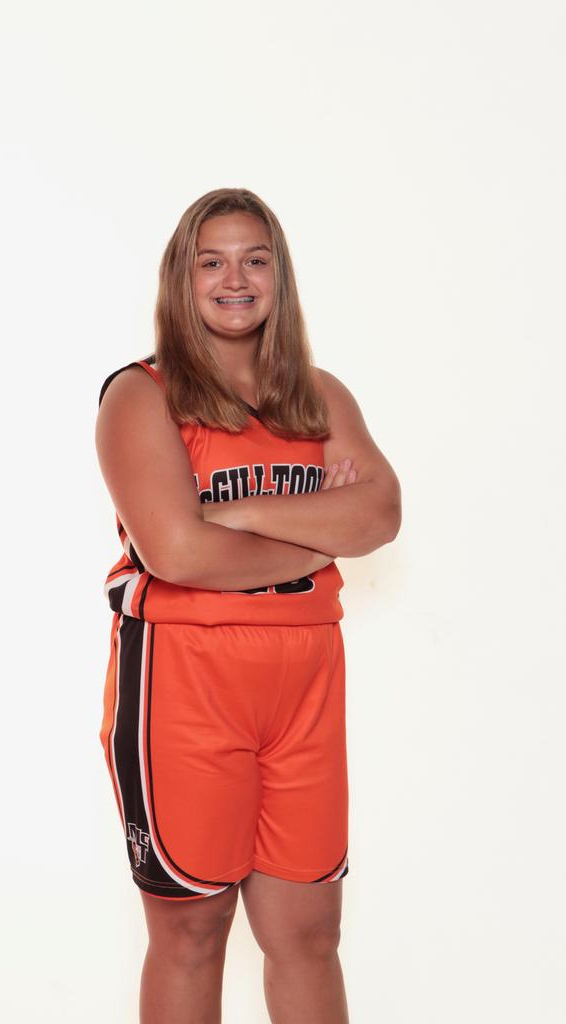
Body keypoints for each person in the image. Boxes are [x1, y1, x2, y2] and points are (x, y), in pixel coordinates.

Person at [95, 187, 401, 1024]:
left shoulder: (318, 396)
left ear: (279, 275)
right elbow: (178, 553)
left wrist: (238, 513)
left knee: (309, 934)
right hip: (185, 686)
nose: (235, 280)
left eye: (254, 260)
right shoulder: (141, 395)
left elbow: (378, 514)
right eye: (212, 262)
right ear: (181, 279)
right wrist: (316, 536)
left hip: (304, 687)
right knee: (193, 932)